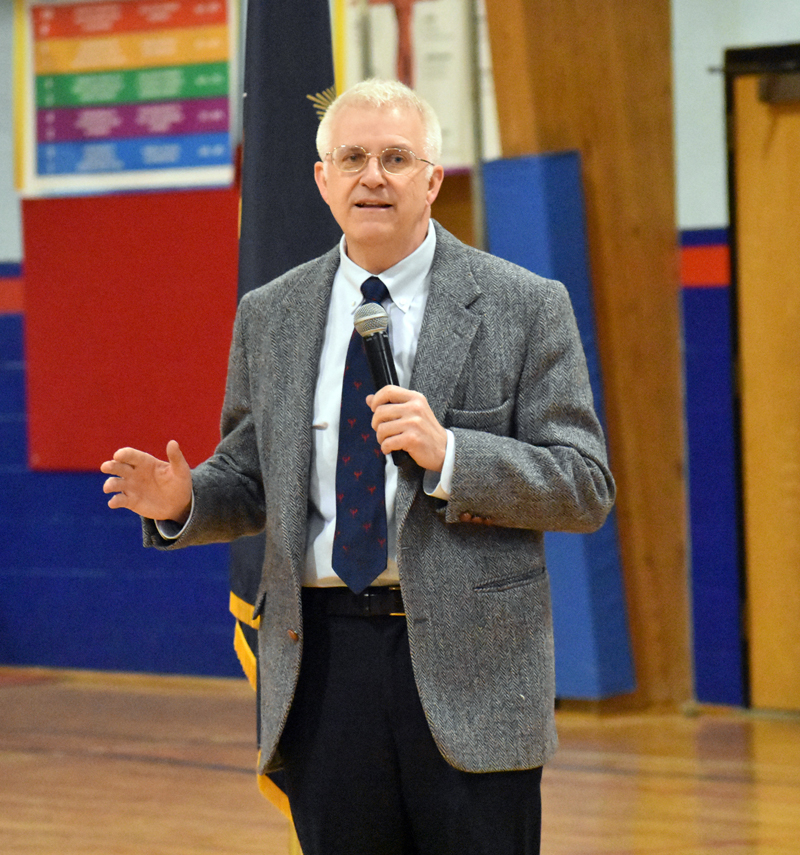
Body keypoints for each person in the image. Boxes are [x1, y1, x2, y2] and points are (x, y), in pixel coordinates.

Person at [101, 78, 615, 855]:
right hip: (324, 662)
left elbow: (584, 484)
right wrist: (186, 499)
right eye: (353, 157)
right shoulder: (269, 313)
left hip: (471, 669)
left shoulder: (524, 305)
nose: (373, 176)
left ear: (433, 179)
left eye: (397, 158)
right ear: (323, 179)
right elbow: (250, 480)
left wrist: (452, 455)